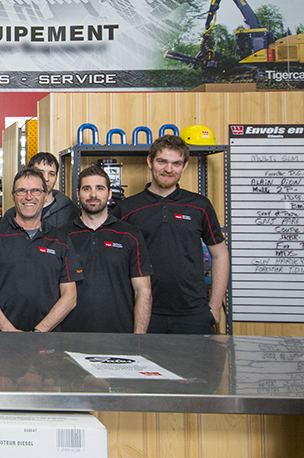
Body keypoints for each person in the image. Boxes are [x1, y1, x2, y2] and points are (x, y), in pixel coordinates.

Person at [113, 135, 229, 334]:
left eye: (176, 163)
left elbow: (220, 254)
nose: (168, 169)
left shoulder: (199, 206)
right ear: (150, 161)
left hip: (194, 313)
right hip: (144, 313)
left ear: (184, 166)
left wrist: (215, 306)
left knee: (200, 366)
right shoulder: (127, 209)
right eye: (162, 161)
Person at [0, 168, 82, 332]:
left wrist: (40, 331)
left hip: (47, 340)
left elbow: (70, 296)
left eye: (35, 191)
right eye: (22, 191)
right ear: (13, 196)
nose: (28, 197)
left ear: (45, 196)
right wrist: (8, 330)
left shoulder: (61, 240)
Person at [59, 165, 152, 334]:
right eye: (87, 189)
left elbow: (143, 291)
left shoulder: (130, 235)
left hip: (120, 335)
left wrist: (140, 338)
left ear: (109, 194)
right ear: (78, 193)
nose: (93, 195)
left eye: (99, 188)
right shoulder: (63, 236)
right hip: (70, 335)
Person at [2, 152, 77, 230]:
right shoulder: (11, 214)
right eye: (40, 173)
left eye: (51, 174)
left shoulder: (71, 212)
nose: (46, 178)